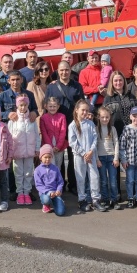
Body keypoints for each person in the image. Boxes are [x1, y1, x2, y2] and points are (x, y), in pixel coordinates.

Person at [46, 61, 84, 193]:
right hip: (57, 127)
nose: (64, 72)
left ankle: (73, 185)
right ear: (58, 71)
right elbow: (47, 107)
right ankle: (60, 183)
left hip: (73, 125)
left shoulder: (77, 86)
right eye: (61, 70)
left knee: (74, 156)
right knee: (58, 157)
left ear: (70, 71)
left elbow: (81, 104)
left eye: (66, 70)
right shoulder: (52, 87)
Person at [69, 100, 106, 212]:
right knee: (81, 178)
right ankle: (82, 200)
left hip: (91, 155)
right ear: (77, 110)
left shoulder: (90, 123)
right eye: (82, 110)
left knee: (94, 177)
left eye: (87, 110)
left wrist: (90, 151)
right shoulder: (72, 125)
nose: (85, 112)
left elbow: (95, 138)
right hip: (79, 156)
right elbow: (72, 142)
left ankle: (96, 200)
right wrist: (83, 153)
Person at [9, 95, 41, 206]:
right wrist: (10, 152)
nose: (23, 107)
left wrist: (37, 148)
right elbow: (9, 137)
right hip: (17, 152)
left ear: (28, 105)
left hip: (30, 151)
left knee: (28, 173)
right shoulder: (13, 120)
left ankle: (26, 193)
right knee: (18, 173)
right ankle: (20, 193)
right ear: (17, 106)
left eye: (25, 105)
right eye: (20, 105)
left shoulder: (32, 120)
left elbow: (37, 135)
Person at [120, 107, 137, 209]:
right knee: (130, 180)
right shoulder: (126, 129)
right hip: (129, 161)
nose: (136, 118)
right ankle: (130, 198)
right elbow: (122, 146)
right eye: (134, 116)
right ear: (130, 117)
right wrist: (123, 159)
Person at [95, 107, 120, 209]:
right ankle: (105, 199)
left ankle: (114, 200)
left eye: (107, 117)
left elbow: (116, 143)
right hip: (101, 158)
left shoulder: (112, 129)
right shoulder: (96, 129)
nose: (105, 119)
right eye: (102, 117)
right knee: (104, 180)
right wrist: (97, 159)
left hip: (111, 157)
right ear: (98, 117)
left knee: (113, 180)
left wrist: (116, 157)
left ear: (110, 118)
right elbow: (95, 145)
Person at [102, 70, 137, 137]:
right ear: (112, 82)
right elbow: (103, 117)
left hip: (131, 132)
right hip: (115, 133)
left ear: (124, 81)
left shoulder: (131, 96)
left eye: (120, 80)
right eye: (115, 80)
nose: (118, 83)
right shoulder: (108, 98)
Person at [35, 144, 66, 216]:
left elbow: (60, 181)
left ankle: (59, 202)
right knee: (46, 199)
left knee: (60, 212)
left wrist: (58, 190)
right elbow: (38, 185)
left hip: (55, 193)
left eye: (49, 157)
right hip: (45, 193)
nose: (47, 159)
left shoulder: (55, 168)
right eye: (45, 157)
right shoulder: (37, 170)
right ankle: (46, 204)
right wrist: (48, 193)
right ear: (41, 157)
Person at [40, 96, 67, 171]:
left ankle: (56, 181)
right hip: (47, 145)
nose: (52, 108)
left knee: (58, 165)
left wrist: (58, 146)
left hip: (59, 145)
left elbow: (63, 132)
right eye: (50, 106)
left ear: (58, 106)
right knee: (49, 165)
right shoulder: (43, 118)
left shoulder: (62, 117)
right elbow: (44, 133)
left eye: (54, 106)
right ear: (46, 106)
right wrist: (50, 146)